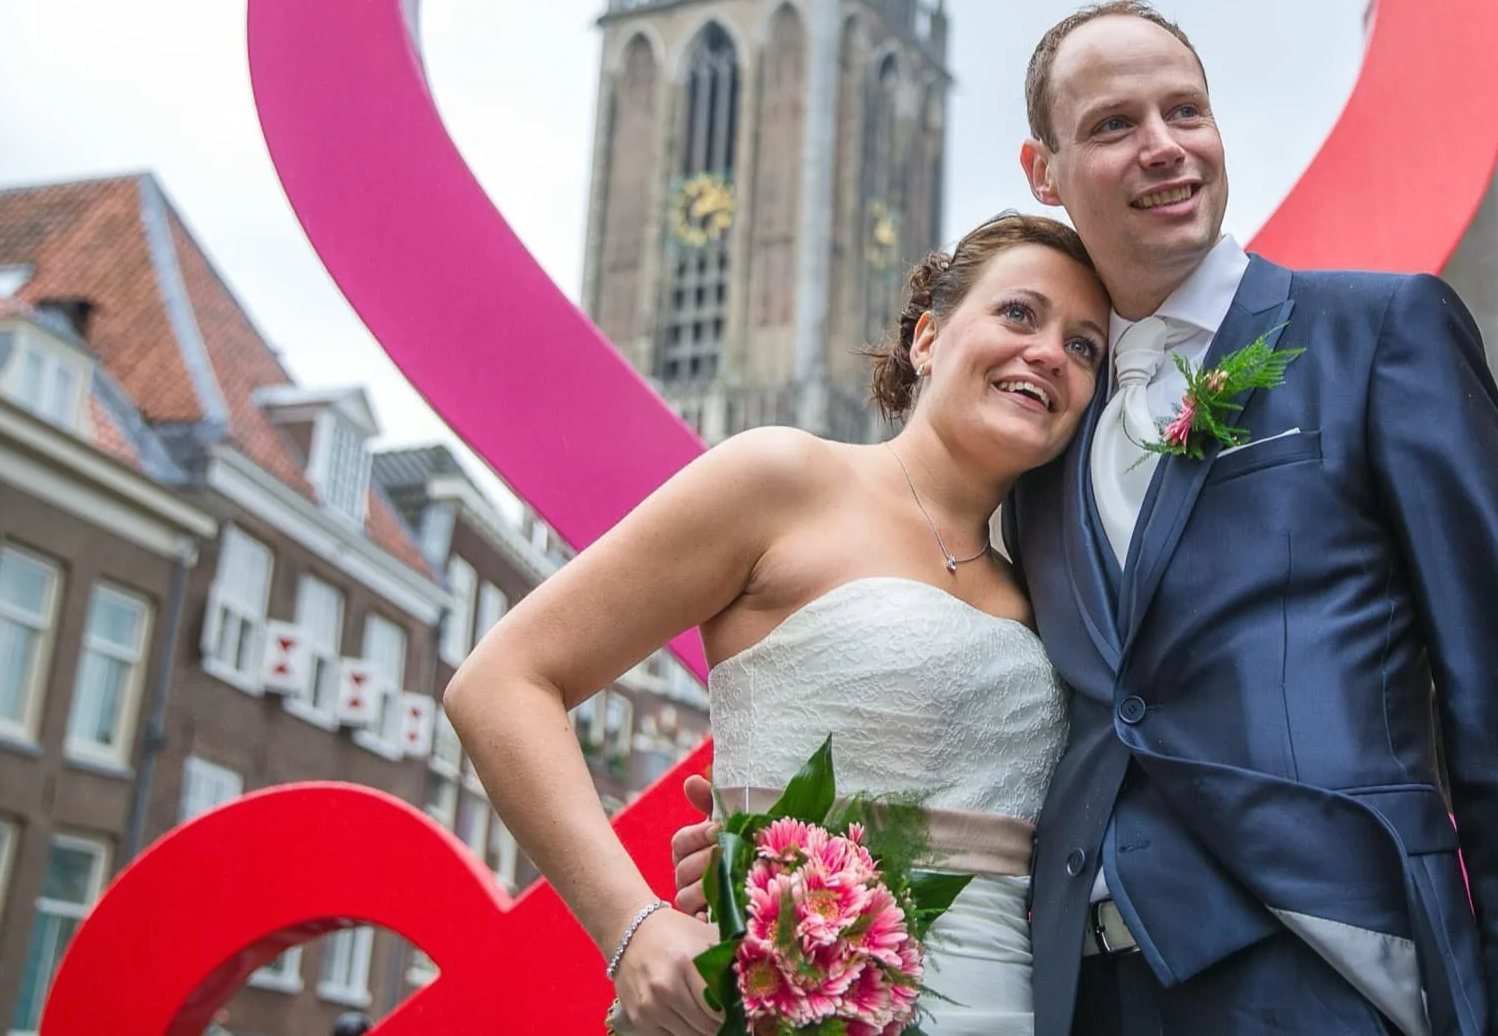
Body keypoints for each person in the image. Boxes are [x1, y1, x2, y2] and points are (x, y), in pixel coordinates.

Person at [672, 0, 1498, 1036]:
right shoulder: (1039, 441)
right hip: (1075, 997)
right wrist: (769, 836)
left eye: (1187, 111)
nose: (1164, 147)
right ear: (1044, 171)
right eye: (1116, 124)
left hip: (1334, 971)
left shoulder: (1379, 332)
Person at [447, 212, 1109, 1036]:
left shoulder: (1056, 588)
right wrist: (633, 928)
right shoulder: (784, 478)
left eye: (1084, 346)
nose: (1049, 352)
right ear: (929, 338)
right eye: (1019, 313)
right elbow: (501, 683)